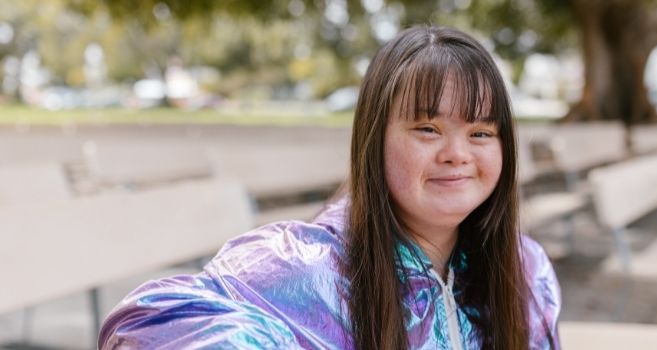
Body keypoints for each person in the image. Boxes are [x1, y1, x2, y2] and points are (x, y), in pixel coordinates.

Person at [98, 25, 560, 350]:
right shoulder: (307, 266)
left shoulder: (524, 269)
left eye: (481, 133)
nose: (458, 153)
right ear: (374, 139)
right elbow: (143, 325)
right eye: (427, 129)